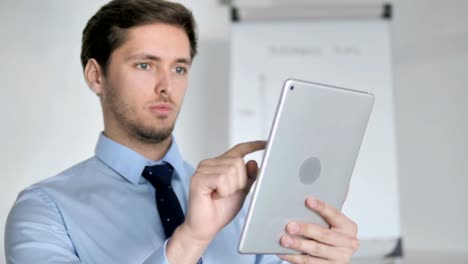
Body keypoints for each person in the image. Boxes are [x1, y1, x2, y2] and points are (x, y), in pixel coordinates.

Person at [4, 0, 359, 263]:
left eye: (179, 68)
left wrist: (322, 257)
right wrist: (190, 240)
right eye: (144, 65)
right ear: (97, 76)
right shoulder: (44, 211)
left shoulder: (244, 206)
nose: (165, 86)